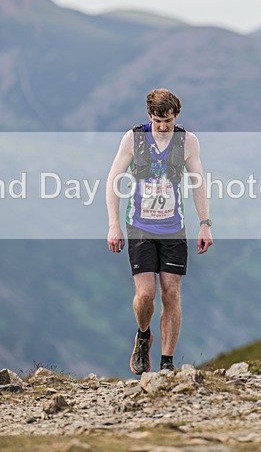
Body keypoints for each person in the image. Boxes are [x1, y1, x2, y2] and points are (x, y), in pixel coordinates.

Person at [106, 88, 213, 374]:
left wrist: (205, 223)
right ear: (149, 116)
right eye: (157, 121)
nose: (163, 127)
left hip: (173, 228)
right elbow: (113, 180)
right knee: (145, 295)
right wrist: (114, 225)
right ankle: (143, 335)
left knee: (171, 293)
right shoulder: (134, 139)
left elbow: (198, 183)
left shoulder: (188, 142)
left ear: (176, 116)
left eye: (168, 121)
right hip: (140, 226)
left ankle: (166, 364)